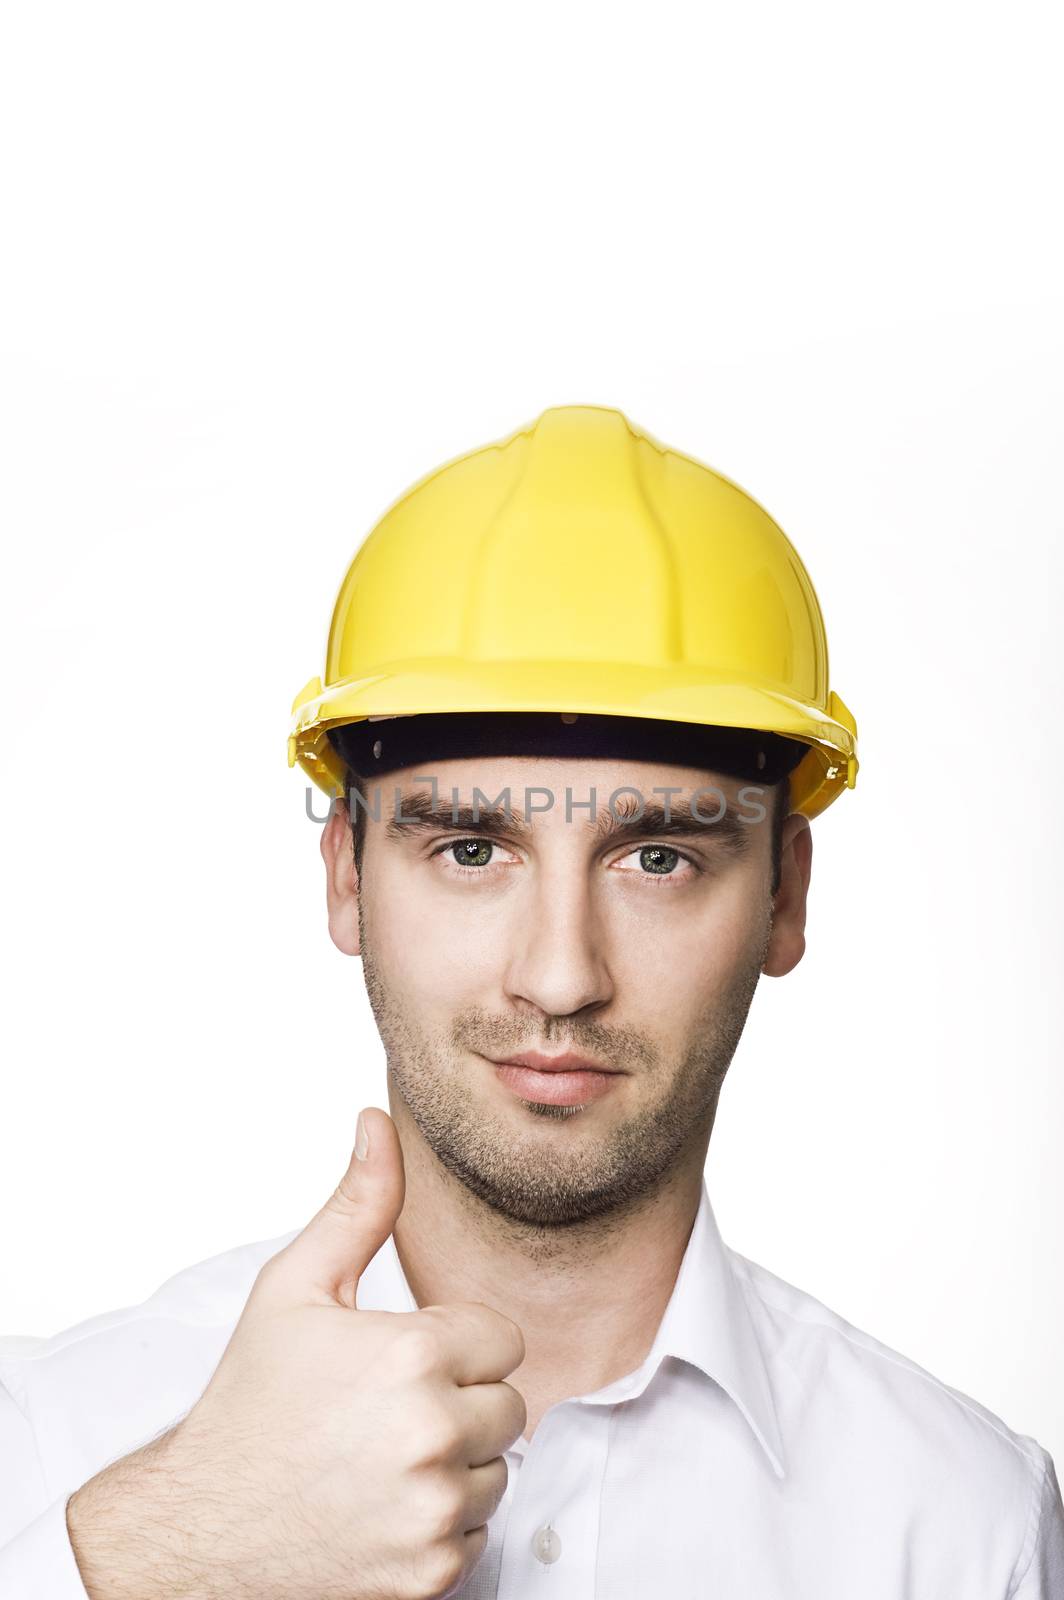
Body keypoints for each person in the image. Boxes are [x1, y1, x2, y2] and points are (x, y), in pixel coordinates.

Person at [1, 406, 1060, 1598]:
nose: (559, 976)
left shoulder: (963, 1526)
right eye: (468, 849)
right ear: (347, 877)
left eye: (658, 858)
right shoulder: (54, 1451)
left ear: (781, 897)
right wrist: (169, 1552)